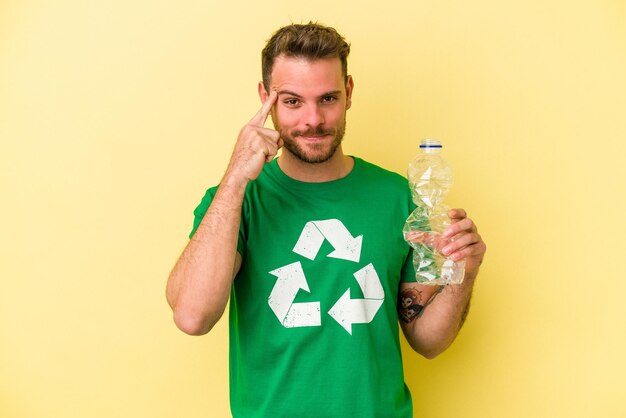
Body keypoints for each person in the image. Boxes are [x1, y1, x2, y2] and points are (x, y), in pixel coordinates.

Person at [166, 22, 486, 418]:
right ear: (265, 98)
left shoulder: (398, 197)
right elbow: (192, 316)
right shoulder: (235, 202)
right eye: (293, 101)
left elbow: (428, 341)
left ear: (348, 93)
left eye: (328, 98)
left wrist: (462, 274)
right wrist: (234, 178)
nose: (313, 120)